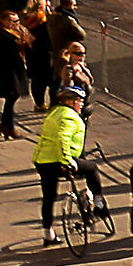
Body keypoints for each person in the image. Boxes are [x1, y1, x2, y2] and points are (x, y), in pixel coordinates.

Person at [30, 85, 87, 246]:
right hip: (57, 160)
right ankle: (97, 201)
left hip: (42, 160)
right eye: (78, 100)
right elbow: (62, 139)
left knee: (49, 197)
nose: (81, 103)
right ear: (69, 101)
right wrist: (67, 161)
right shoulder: (69, 116)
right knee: (92, 169)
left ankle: (48, 234)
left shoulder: (54, 112)